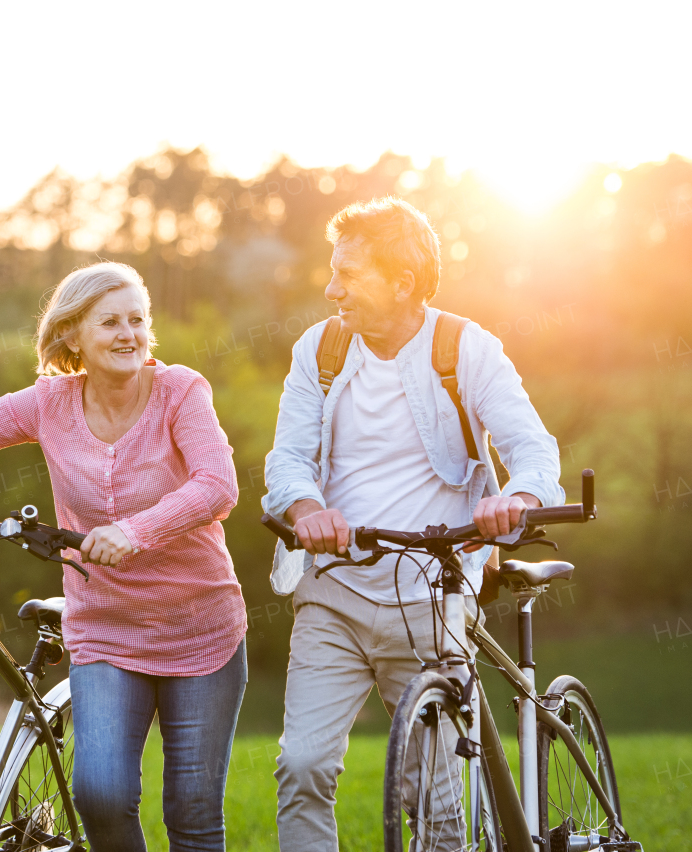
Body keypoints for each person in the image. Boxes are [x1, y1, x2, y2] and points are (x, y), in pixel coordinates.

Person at [0, 262, 247, 852]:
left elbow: (217, 486)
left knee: (193, 811)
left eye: (138, 319)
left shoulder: (180, 390)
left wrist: (134, 531)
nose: (128, 333)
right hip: (105, 630)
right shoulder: (51, 402)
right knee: (101, 797)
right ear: (72, 334)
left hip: (199, 631)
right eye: (110, 322)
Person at [261, 197, 564, 851]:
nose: (330, 287)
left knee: (434, 795)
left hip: (432, 601)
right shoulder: (321, 349)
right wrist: (306, 508)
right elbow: (287, 456)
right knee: (303, 767)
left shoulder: (464, 348)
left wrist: (517, 496)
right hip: (334, 596)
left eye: (349, 273)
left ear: (402, 281)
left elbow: (533, 448)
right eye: (331, 271)